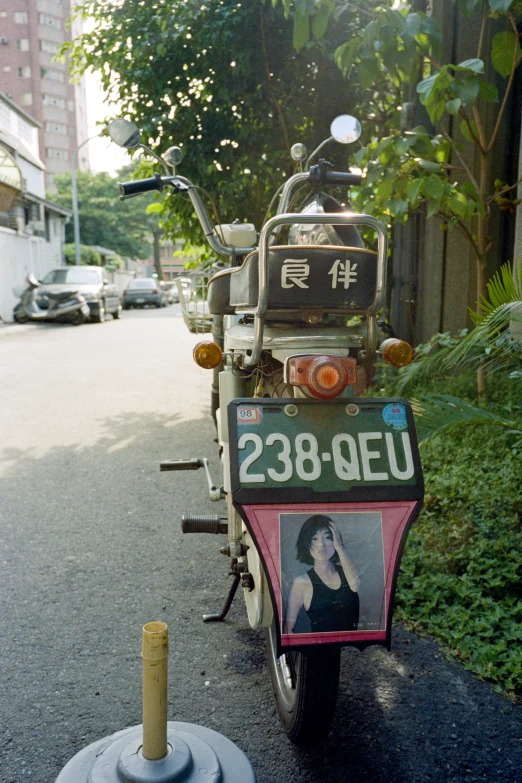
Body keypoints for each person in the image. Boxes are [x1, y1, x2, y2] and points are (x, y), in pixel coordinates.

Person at [284, 514, 360, 634]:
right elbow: (288, 629)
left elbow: (356, 586)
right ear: (306, 543)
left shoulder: (347, 571)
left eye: (328, 537)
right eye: (315, 539)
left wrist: (339, 548)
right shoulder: (302, 583)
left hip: (350, 648)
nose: (322, 544)